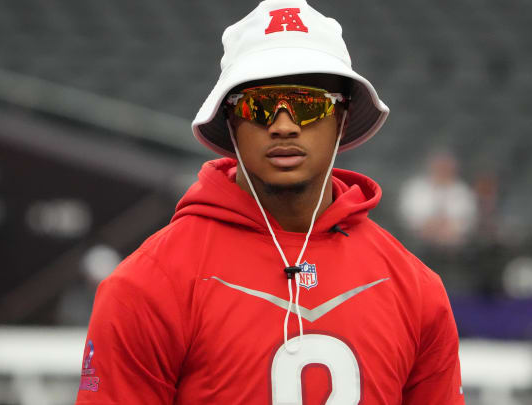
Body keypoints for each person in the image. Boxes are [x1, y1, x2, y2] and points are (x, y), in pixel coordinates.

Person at [75, 1, 464, 404]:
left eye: (308, 105)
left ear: (342, 118)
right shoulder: (149, 284)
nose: (283, 125)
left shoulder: (414, 289)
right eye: (258, 105)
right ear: (229, 119)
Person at [398, 149, 477, 248]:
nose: (443, 169)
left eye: (446, 166)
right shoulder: (416, 188)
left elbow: (467, 220)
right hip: (418, 242)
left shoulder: (462, 192)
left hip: (453, 246)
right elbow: (408, 215)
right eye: (440, 166)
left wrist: (449, 228)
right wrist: (428, 225)